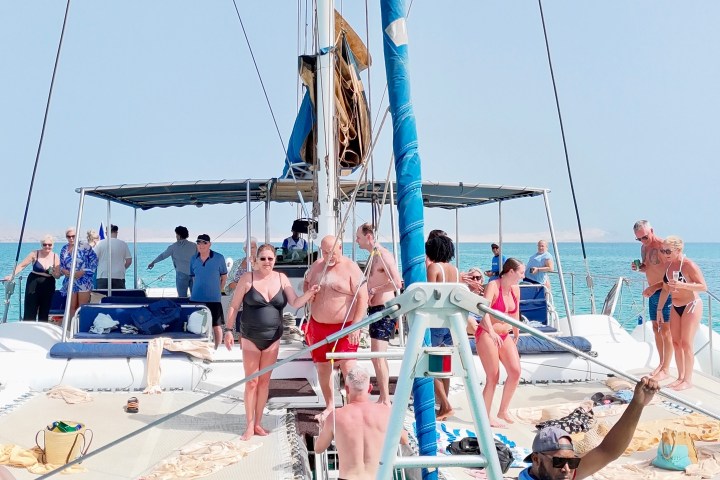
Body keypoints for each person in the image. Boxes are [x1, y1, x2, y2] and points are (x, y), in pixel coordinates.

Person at [224, 244, 319, 440]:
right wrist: (228, 330)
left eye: (270, 258)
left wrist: (310, 294)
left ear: (275, 260)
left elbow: (295, 302)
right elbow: (233, 306)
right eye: (263, 258)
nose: (267, 262)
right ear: (256, 260)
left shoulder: (281, 278)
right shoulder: (247, 278)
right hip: (250, 336)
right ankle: (249, 425)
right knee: (252, 382)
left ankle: (258, 423)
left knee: (264, 382)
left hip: (273, 337)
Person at [520, 376, 660, 480]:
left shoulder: (559, 475)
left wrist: (637, 403)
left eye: (572, 461)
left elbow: (608, 451)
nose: (567, 469)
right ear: (536, 460)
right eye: (559, 461)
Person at [304, 235, 368, 422]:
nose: (329, 256)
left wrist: (356, 327)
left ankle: (351, 409)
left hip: (345, 327)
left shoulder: (351, 268)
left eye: (333, 251)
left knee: (349, 369)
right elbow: (306, 283)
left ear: (341, 247)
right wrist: (309, 293)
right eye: (325, 252)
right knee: (323, 369)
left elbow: (362, 299)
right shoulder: (317, 265)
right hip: (318, 326)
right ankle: (330, 406)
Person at [314, 366, 408, 480]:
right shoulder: (386, 413)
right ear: (369, 388)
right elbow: (404, 440)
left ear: (347, 389)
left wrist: (325, 427)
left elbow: (318, 449)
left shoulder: (335, 416)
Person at [470, 258, 523, 428]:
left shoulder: (515, 289)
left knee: (515, 371)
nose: (523, 275)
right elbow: (483, 310)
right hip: (487, 333)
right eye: (521, 272)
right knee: (493, 377)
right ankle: (485, 417)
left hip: (504, 334)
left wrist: (516, 331)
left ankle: (503, 410)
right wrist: (491, 332)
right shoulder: (494, 285)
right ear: (511, 272)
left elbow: (515, 312)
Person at [356, 223, 402, 405]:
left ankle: (385, 399)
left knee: (378, 355)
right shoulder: (373, 257)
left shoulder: (383, 255)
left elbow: (397, 283)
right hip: (376, 310)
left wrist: (375, 289)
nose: (356, 240)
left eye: (358, 236)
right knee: (376, 356)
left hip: (384, 310)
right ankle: (384, 396)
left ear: (369, 237)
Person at [657, 235, 706, 391]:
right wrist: (659, 309)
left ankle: (688, 380)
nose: (664, 253)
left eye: (667, 250)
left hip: (691, 305)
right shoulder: (669, 265)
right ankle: (680, 377)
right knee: (676, 342)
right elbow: (665, 289)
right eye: (663, 250)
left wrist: (682, 285)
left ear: (678, 250)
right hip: (675, 305)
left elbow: (703, 287)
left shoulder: (689, 265)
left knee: (686, 344)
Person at [631, 220, 673, 380]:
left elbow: (672, 275)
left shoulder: (664, 247)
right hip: (653, 292)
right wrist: (640, 268)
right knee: (656, 328)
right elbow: (648, 268)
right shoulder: (644, 248)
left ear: (652, 230)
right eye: (639, 239)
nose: (643, 241)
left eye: (645, 237)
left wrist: (654, 287)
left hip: (665, 291)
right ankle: (661, 364)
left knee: (666, 329)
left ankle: (666, 369)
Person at [426, 233, 459, 420]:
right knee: (445, 365)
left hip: (436, 321)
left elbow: (430, 296)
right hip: (450, 322)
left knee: (433, 366)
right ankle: (442, 408)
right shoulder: (453, 269)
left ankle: (446, 405)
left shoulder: (433, 268)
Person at [3, 235, 60, 321]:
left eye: (49, 245)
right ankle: (28, 330)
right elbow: (22, 266)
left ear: (53, 245)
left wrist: (53, 272)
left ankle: (42, 330)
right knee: (30, 308)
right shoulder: (34, 253)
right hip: (33, 282)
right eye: (45, 244)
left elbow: (58, 275)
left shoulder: (55, 256)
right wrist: (12, 275)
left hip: (48, 283)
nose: (47, 247)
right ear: (41, 245)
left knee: (45, 309)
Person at [189, 234, 228, 348]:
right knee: (195, 324)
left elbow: (224, 277)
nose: (201, 245)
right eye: (199, 243)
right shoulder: (193, 259)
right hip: (196, 298)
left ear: (209, 244)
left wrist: (219, 290)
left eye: (204, 243)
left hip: (214, 298)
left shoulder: (219, 258)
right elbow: (193, 277)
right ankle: (197, 348)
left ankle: (216, 349)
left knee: (216, 325)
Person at [148, 226, 198, 297]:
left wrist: (153, 262)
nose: (176, 236)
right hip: (194, 274)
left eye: (176, 234)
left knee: (182, 297)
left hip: (181, 275)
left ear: (179, 235)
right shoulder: (194, 245)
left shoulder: (173, 247)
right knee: (195, 296)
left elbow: (163, 256)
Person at [59, 227, 98, 316]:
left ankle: (81, 327)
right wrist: (63, 270)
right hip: (70, 281)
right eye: (68, 236)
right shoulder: (64, 249)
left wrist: (83, 271)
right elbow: (61, 264)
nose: (71, 238)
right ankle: (72, 328)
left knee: (82, 307)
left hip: (83, 281)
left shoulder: (85, 246)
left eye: (73, 236)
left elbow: (94, 261)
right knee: (71, 307)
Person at [94, 224, 132, 289]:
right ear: (116, 232)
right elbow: (129, 261)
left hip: (103, 276)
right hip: (119, 276)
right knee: (119, 298)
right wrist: (123, 268)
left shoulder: (100, 243)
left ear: (106, 233)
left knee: (102, 297)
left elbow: (93, 259)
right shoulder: (123, 244)